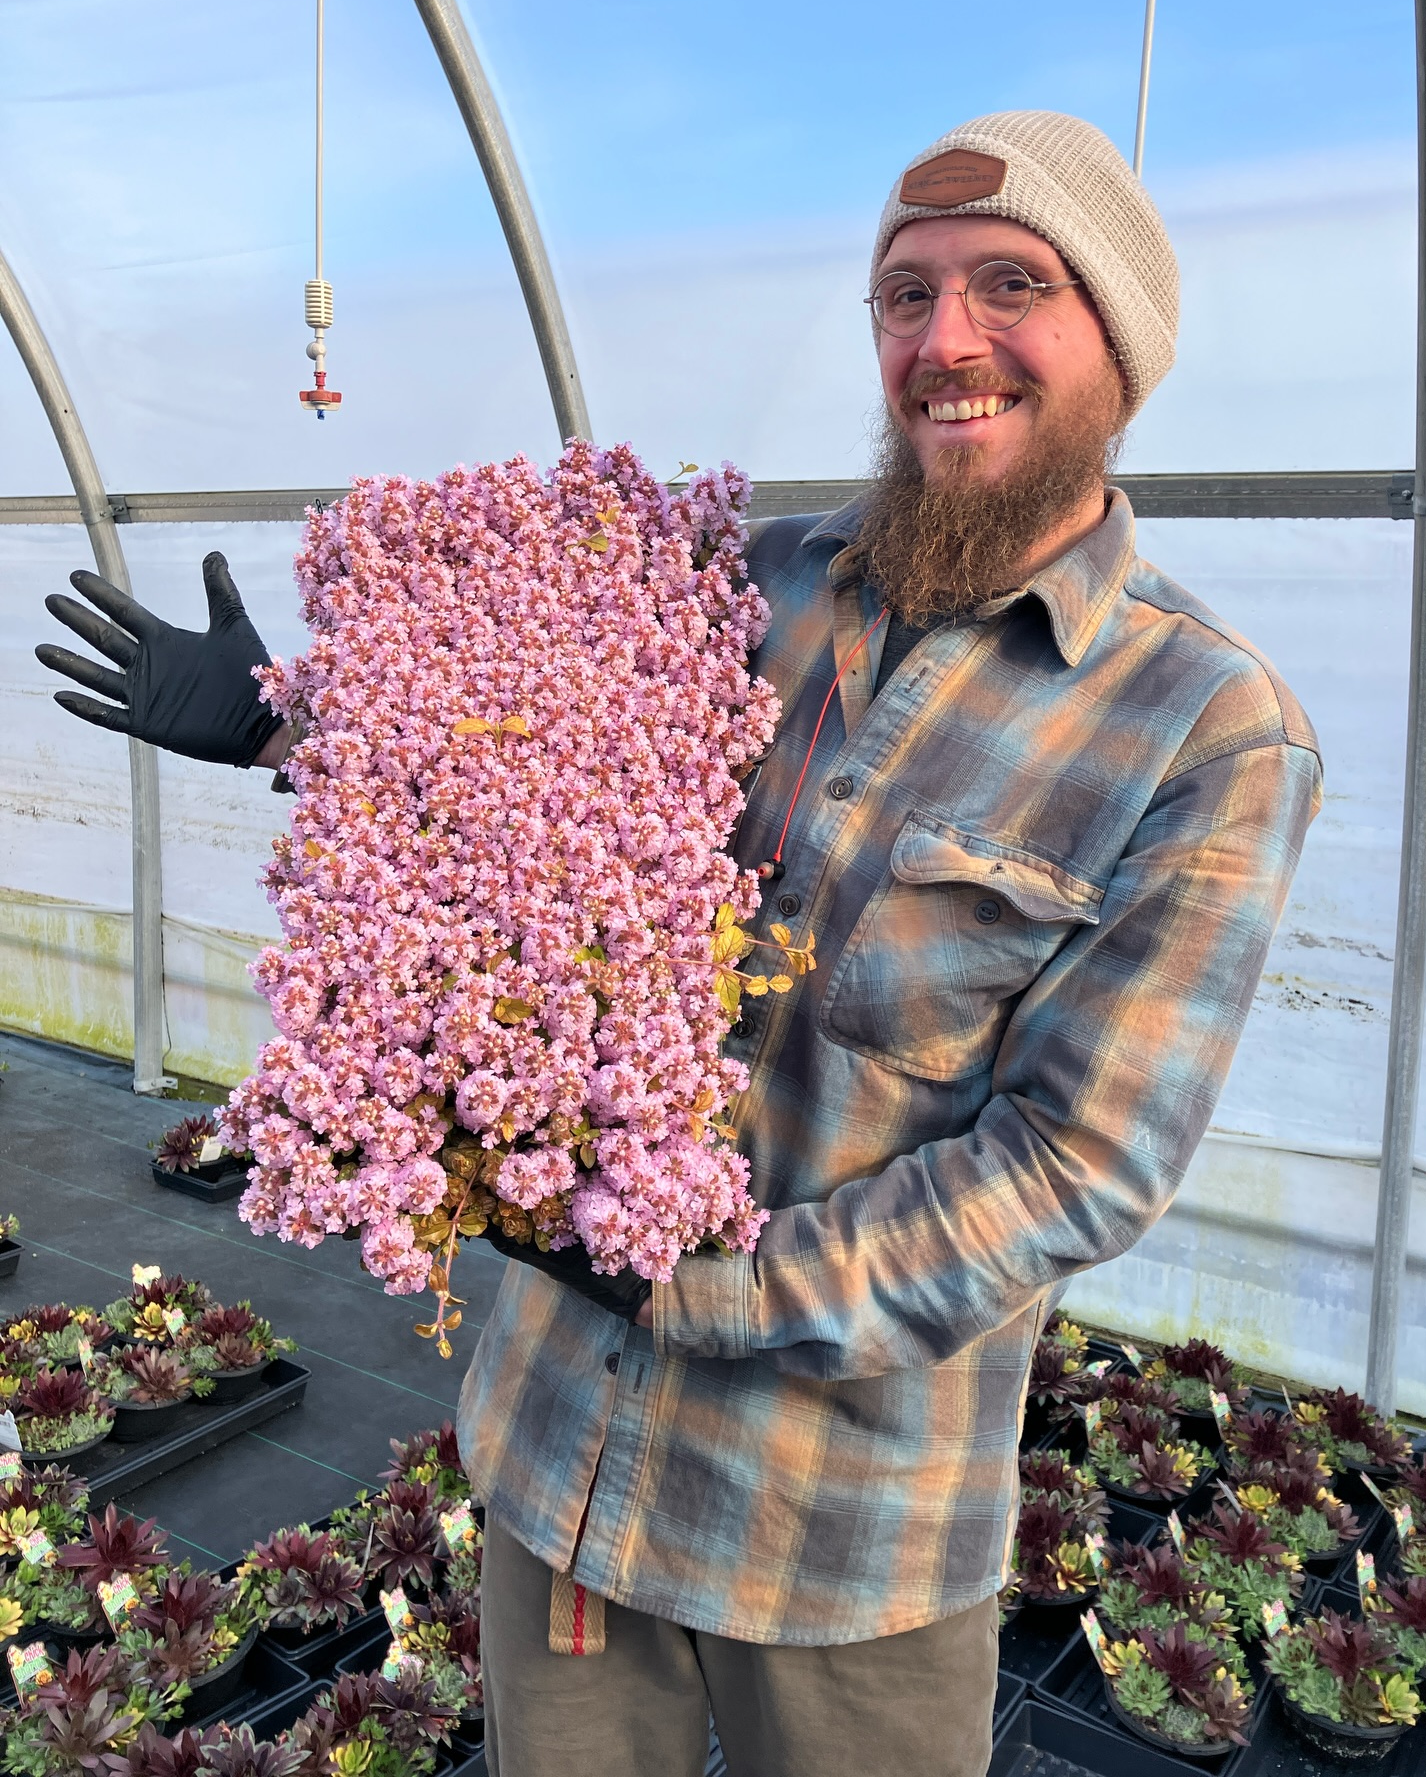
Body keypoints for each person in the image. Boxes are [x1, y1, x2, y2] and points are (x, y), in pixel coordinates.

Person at [35, 111, 1321, 1777]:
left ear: (1122, 352)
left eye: (1015, 286)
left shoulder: (1201, 728)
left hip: (844, 1542)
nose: (947, 343)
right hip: (560, 1473)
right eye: (904, 295)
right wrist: (312, 724)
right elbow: (522, 791)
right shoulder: (733, 582)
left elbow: (1076, 1167)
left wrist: (690, 1278)